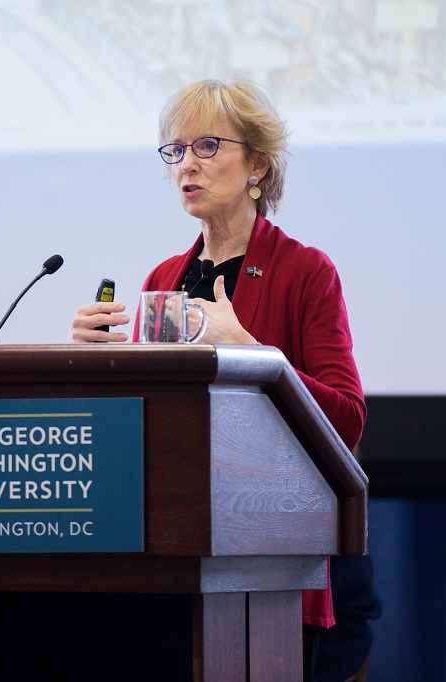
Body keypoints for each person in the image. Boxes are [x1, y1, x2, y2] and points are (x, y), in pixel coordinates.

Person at [69, 77, 380, 681]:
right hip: (166, 557)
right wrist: (96, 362)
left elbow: (346, 419)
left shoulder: (305, 271)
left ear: (257, 164)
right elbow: (147, 422)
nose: (186, 165)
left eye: (207, 146)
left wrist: (251, 351)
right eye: (176, 150)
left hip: (268, 565)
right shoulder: (164, 277)